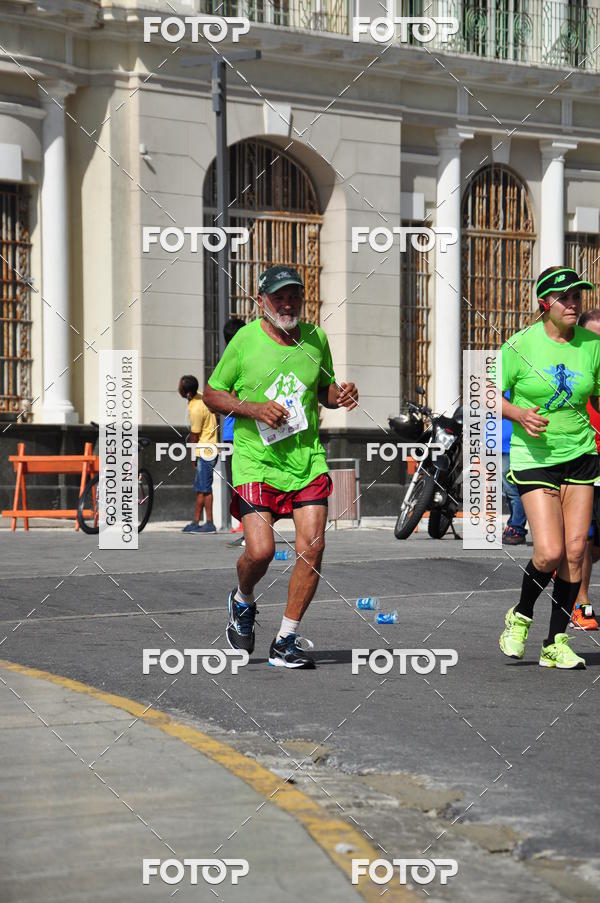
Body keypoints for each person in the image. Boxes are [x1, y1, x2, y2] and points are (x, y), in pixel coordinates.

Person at [203, 265, 359, 669]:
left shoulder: (316, 338)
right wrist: (253, 408)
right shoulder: (244, 342)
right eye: (278, 297)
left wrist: (339, 394)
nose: (287, 304)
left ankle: (285, 639)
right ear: (261, 302)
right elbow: (212, 394)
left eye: (293, 297)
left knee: (314, 546)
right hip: (256, 460)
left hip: (306, 460)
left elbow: (322, 390)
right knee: (261, 550)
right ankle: (242, 598)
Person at [499, 265, 599, 669]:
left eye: (578, 296)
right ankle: (520, 615)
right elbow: (484, 395)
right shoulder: (519, 345)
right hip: (535, 458)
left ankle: (555, 641)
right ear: (545, 303)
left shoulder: (592, 345)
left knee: (575, 552)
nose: (574, 304)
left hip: (581, 453)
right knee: (549, 552)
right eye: (566, 298)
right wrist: (519, 414)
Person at [570, 308, 600, 630]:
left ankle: (565, 567)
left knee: (592, 547)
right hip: (580, 461)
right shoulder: (570, 372)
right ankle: (582, 605)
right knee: (584, 540)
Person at [178, 374, 218, 534]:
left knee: (205, 488)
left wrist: (192, 456)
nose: (178, 389)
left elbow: (194, 436)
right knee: (201, 488)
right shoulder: (200, 397)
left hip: (205, 451)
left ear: (187, 393)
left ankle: (209, 524)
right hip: (208, 449)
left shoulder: (196, 408)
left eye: (180, 387)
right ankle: (195, 522)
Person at [501, 391, 528, 545]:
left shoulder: (514, 388)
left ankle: (516, 527)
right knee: (508, 490)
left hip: (511, 445)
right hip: (499, 444)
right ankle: (515, 524)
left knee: (513, 490)